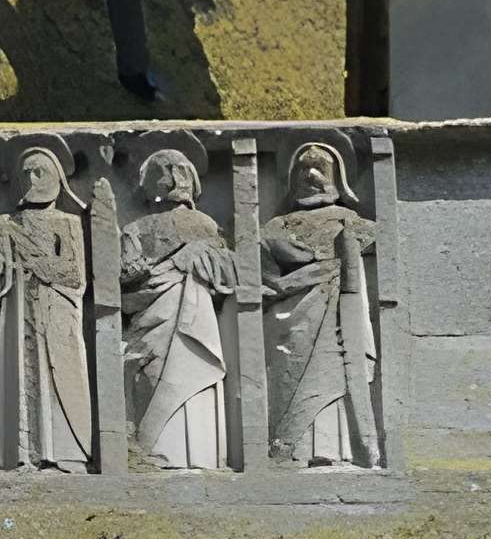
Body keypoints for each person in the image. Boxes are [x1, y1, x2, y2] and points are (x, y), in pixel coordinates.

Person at [264, 140, 381, 469]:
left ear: (338, 176)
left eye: (321, 168)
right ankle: (292, 450)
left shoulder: (349, 220)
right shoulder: (279, 226)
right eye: (303, 168)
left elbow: (379, 238)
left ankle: (334, 449)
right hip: (293, 322)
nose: (312, 174)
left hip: (339, 319)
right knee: (290, 378)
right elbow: (259, 265)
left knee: (335, 377)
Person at [120, 147, 236, 472]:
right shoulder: (139, 228)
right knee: (155, 376)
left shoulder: (205, 226)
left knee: (191, 372)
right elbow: (121, 279)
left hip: (193, 315)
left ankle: (194, 454)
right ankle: (168, 453)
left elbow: (228, 275)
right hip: (155, 318)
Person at [0, 138, 94, 472]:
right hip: (20, 308)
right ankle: (22, 452)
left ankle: (69, 454)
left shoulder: (68, 222)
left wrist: (30, 257)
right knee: (21, 375)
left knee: (64, 376)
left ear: (57, 177)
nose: (33, 180)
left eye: (40, 172)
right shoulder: (6, 223)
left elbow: (74, 274)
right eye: (27, 173)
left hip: (59, 310)